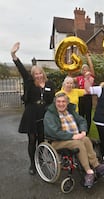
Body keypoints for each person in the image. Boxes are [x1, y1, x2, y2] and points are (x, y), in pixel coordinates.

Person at [43, 92, 104, 188]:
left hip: (73, 138)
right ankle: (88, 172)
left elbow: (81, 120)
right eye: (58, 102)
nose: (61, 104)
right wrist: (72, 136)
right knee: (78, 144)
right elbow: (54, 132)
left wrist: (83, 131)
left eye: (63, 101)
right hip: (57, 141)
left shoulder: (70, 111)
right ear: (55, 103)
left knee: (86, 139)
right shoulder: (50, 115)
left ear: (67, 103)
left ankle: (97, 166)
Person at [11, 42, 55, 175]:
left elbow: (52, 99)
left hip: (44, 114)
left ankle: (40, 160)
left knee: (42, 139)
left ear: (43, 73)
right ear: (33, 75)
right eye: (36, 74)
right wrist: (14, 55)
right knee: (32, 139)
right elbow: (21, 70)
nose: (38, 76)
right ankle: (32, 164)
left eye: (40, 73)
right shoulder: (30, 82)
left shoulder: (49, 84)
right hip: (31, 114)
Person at [73, 53, 94, 134]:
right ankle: (81, 129)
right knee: (81, 114)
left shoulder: (91, 77)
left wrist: (88, 57)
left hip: (88, 97)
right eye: (83, 70)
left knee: (88, 115)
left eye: (86, 69)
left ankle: (87, 131)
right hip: (81, 97)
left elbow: (92, 67)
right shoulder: (79, 78)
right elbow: (70, 78)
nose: (85, 71)